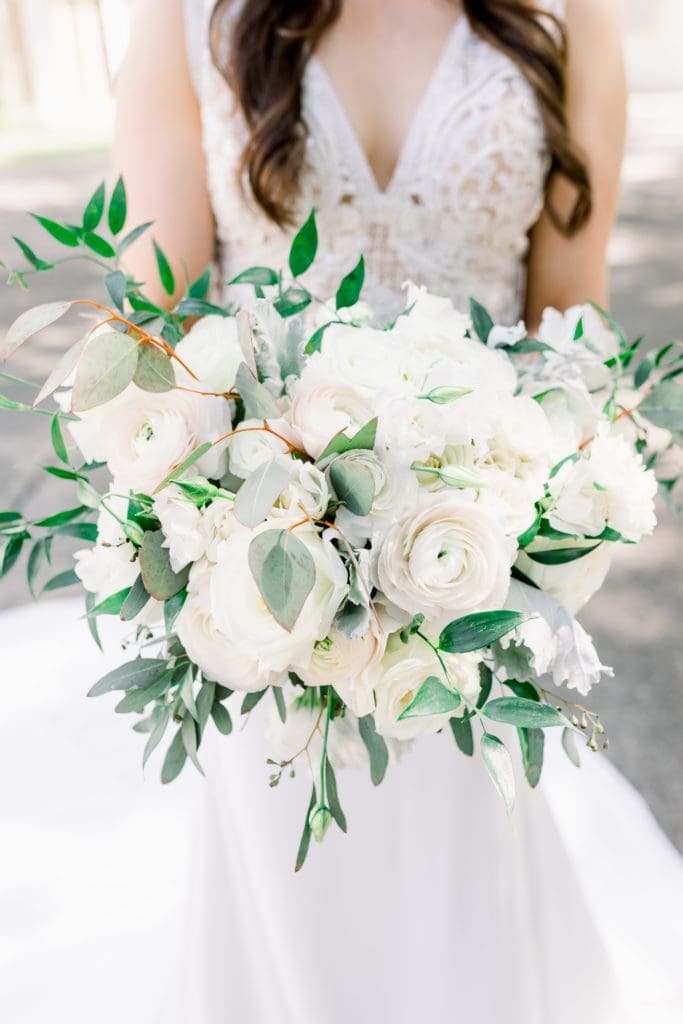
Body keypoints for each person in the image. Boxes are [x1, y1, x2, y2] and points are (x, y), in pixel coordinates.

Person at [0, 1, 681, 1021]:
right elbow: (164, 333)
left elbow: (567, 330)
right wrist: (226, 531)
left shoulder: (561, 18)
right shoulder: (193, 16)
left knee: (463, 879)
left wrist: (527, 509)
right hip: (259, 570)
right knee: (291, 900)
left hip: (472, 573)